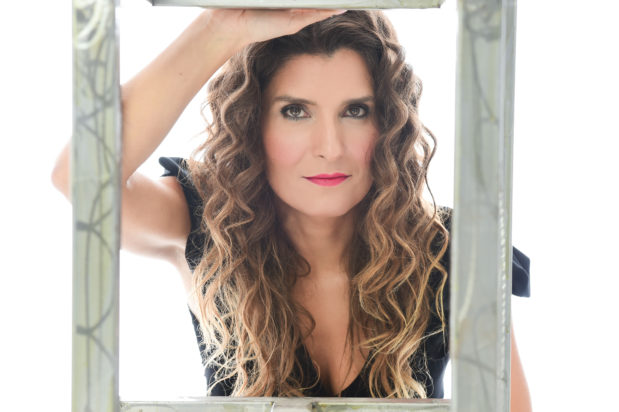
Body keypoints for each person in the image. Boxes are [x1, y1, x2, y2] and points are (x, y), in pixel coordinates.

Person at [52, 8, 532, 409]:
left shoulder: (452, 249)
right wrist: (221, 27)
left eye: (355, 111)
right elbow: (81, 178)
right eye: (295, 111)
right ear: (252, 123)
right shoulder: (207, 219)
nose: (329, 148)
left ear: (388, 123)